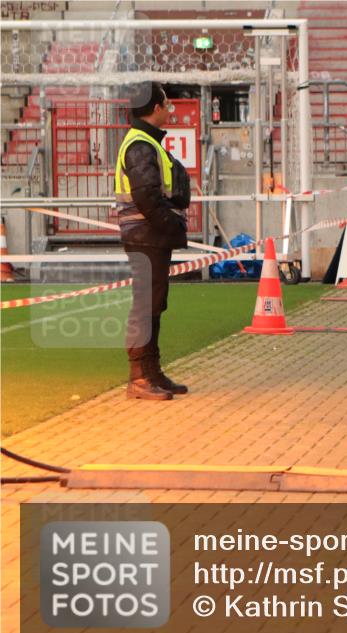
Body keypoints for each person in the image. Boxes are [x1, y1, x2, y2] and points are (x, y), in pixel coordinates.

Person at [115, 82, 191, 400]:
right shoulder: (141, 145)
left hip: (149, 236)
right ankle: (139, 378)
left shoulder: (145, 141)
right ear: (156, 109)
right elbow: (146, 196)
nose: (170, 111)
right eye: (167, 105)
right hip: (146, 235)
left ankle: (152, 372)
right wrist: (171, 225)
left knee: (153, 305)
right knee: (145, 306)